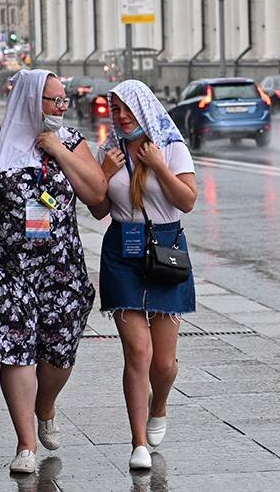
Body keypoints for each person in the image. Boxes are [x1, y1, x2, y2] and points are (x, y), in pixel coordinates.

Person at [0, 69, 106, 475]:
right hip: (4, 267)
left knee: (60, 350)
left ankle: (46, 405)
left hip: (61, 266)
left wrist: (58, 150)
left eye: (64, 100)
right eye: (54, 100)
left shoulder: (70, 140)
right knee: (14, 350)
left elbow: (98, 196)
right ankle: (26, 444)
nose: (62, 107)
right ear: (31, 101)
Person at [88, 80, 197, 471]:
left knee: (164, 364)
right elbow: (99, 210)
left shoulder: (170, 146)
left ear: (144, 109)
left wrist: (159, 167)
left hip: (166, 249)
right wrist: (103, 172)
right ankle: (137, 442)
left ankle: (160, 404)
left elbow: (187, 200)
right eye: (114, 110)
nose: (119, 117)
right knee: (138, 351)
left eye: (126, 110)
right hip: (122, 248)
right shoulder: (110, 150)